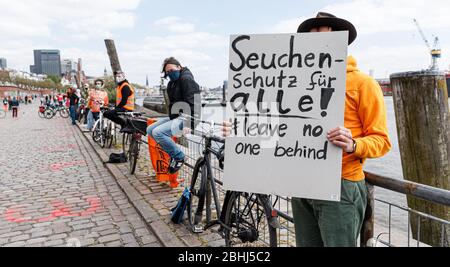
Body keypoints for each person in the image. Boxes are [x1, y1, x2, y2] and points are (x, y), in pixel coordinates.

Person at [289, 12, 392, 247]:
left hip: (341, 184)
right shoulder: (297, 82)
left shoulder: (363, 84)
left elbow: (382, 140)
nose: (313, 38)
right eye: (310, 34)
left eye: (320, 31)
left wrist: (354, 144)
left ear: (339, 39)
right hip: (301, 181)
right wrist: (243, 129)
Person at [147, 57, 201, 174]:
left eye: (172, 70)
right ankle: (172, 152)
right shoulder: (172, 83)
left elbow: (194, 103)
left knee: (158, 132)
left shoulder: (186, 79)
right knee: (150, 129)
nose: (170, 73)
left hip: (189, 117)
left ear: (179, 67)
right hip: (178, 116)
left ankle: (179, 156)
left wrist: (188, 123)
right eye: (167, 72)